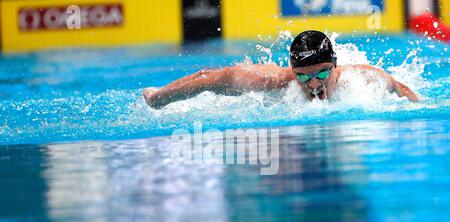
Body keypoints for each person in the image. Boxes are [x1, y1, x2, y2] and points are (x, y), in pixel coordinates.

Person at [143, 30, 419, 109]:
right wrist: (159, 98)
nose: (313, 84)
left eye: (322, 73)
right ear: (292, 70)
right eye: (303, 76)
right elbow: (206, 78)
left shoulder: (361, 79)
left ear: (335, 65)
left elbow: (400, 87)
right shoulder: (270, 81)